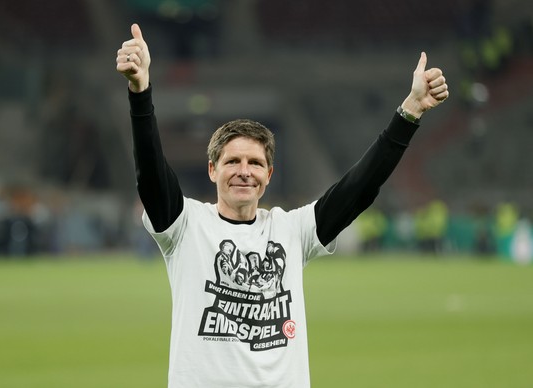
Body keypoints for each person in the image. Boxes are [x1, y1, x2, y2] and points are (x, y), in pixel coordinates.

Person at [116, 23, 449, 388]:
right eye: (232, 162)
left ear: (269, 174)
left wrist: (410, 111)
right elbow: (150, 174)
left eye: (255, 163)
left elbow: (359, 187)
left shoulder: (293, 230)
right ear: (212, 170)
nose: (244, 172)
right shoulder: (184, 227)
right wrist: (139, 91)